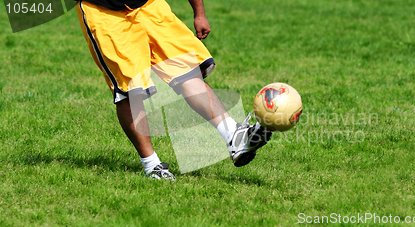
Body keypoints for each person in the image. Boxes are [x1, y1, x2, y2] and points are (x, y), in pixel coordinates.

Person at [76, 0, 271, 180]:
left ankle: (233, 136)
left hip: (149, 5)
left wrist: (199, 12)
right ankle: (152, 166)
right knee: (132, 90)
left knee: (186, 71)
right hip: (105, 12)